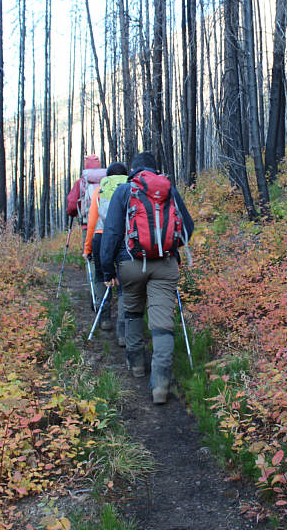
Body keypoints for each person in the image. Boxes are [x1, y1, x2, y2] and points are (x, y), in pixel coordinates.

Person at [100, 152, 194, 404]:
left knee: (132, 311)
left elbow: (110, 233)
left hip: (130, 264)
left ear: (133, 169)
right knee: (162, 323)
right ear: (155, 169)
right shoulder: (168, 190)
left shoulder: (123, 191)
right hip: (165, 264)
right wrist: (170, 248)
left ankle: (137, 365)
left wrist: (108, 270)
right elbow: (188, 228)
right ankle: (161, 384)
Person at [83, 162, 129, 340]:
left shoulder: (99, 191)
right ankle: (123, 332)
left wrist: (88, 248)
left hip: (102, 237)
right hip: (126, 239)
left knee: (102, 277)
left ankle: (105, 318)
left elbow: (92, 223)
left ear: (107, 176)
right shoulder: (131, 188)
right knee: (125, 285)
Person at [66, 154, 105, 310]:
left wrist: (73, 213)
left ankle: (96, 296)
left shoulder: (81, 183)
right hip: (107, 226)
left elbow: (71, 205)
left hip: (87, 227)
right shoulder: (107, 181)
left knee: (92, 260)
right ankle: (108, 291)